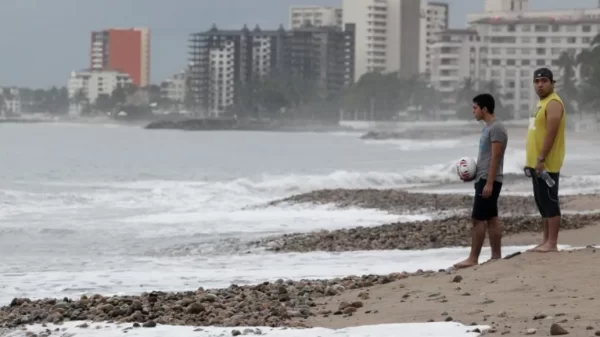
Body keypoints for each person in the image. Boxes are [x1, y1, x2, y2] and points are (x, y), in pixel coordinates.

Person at [454, 93, 508, 269]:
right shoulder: (487, 128)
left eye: (475, 108)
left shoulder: (496, 128)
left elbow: (496, 156)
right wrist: (472, 174)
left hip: (488, 179)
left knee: (478, 219)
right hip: (483, 178)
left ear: (485, 109)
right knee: (492, 217)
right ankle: (496, 257)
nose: (473, 111)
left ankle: (473, 258)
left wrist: (489, 182)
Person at [525, 68, 566, 253]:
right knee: (541, 201)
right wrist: (530, 161)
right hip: (536, 162)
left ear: (552, 83)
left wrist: (541, 158)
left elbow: (551, 133)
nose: (540, 84)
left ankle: (552, 243)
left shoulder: (553, 103)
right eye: (537, 81)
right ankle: (545, 240)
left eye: (544, 81)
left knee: (550, 200)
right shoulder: (540, 103)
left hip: (547, 162)